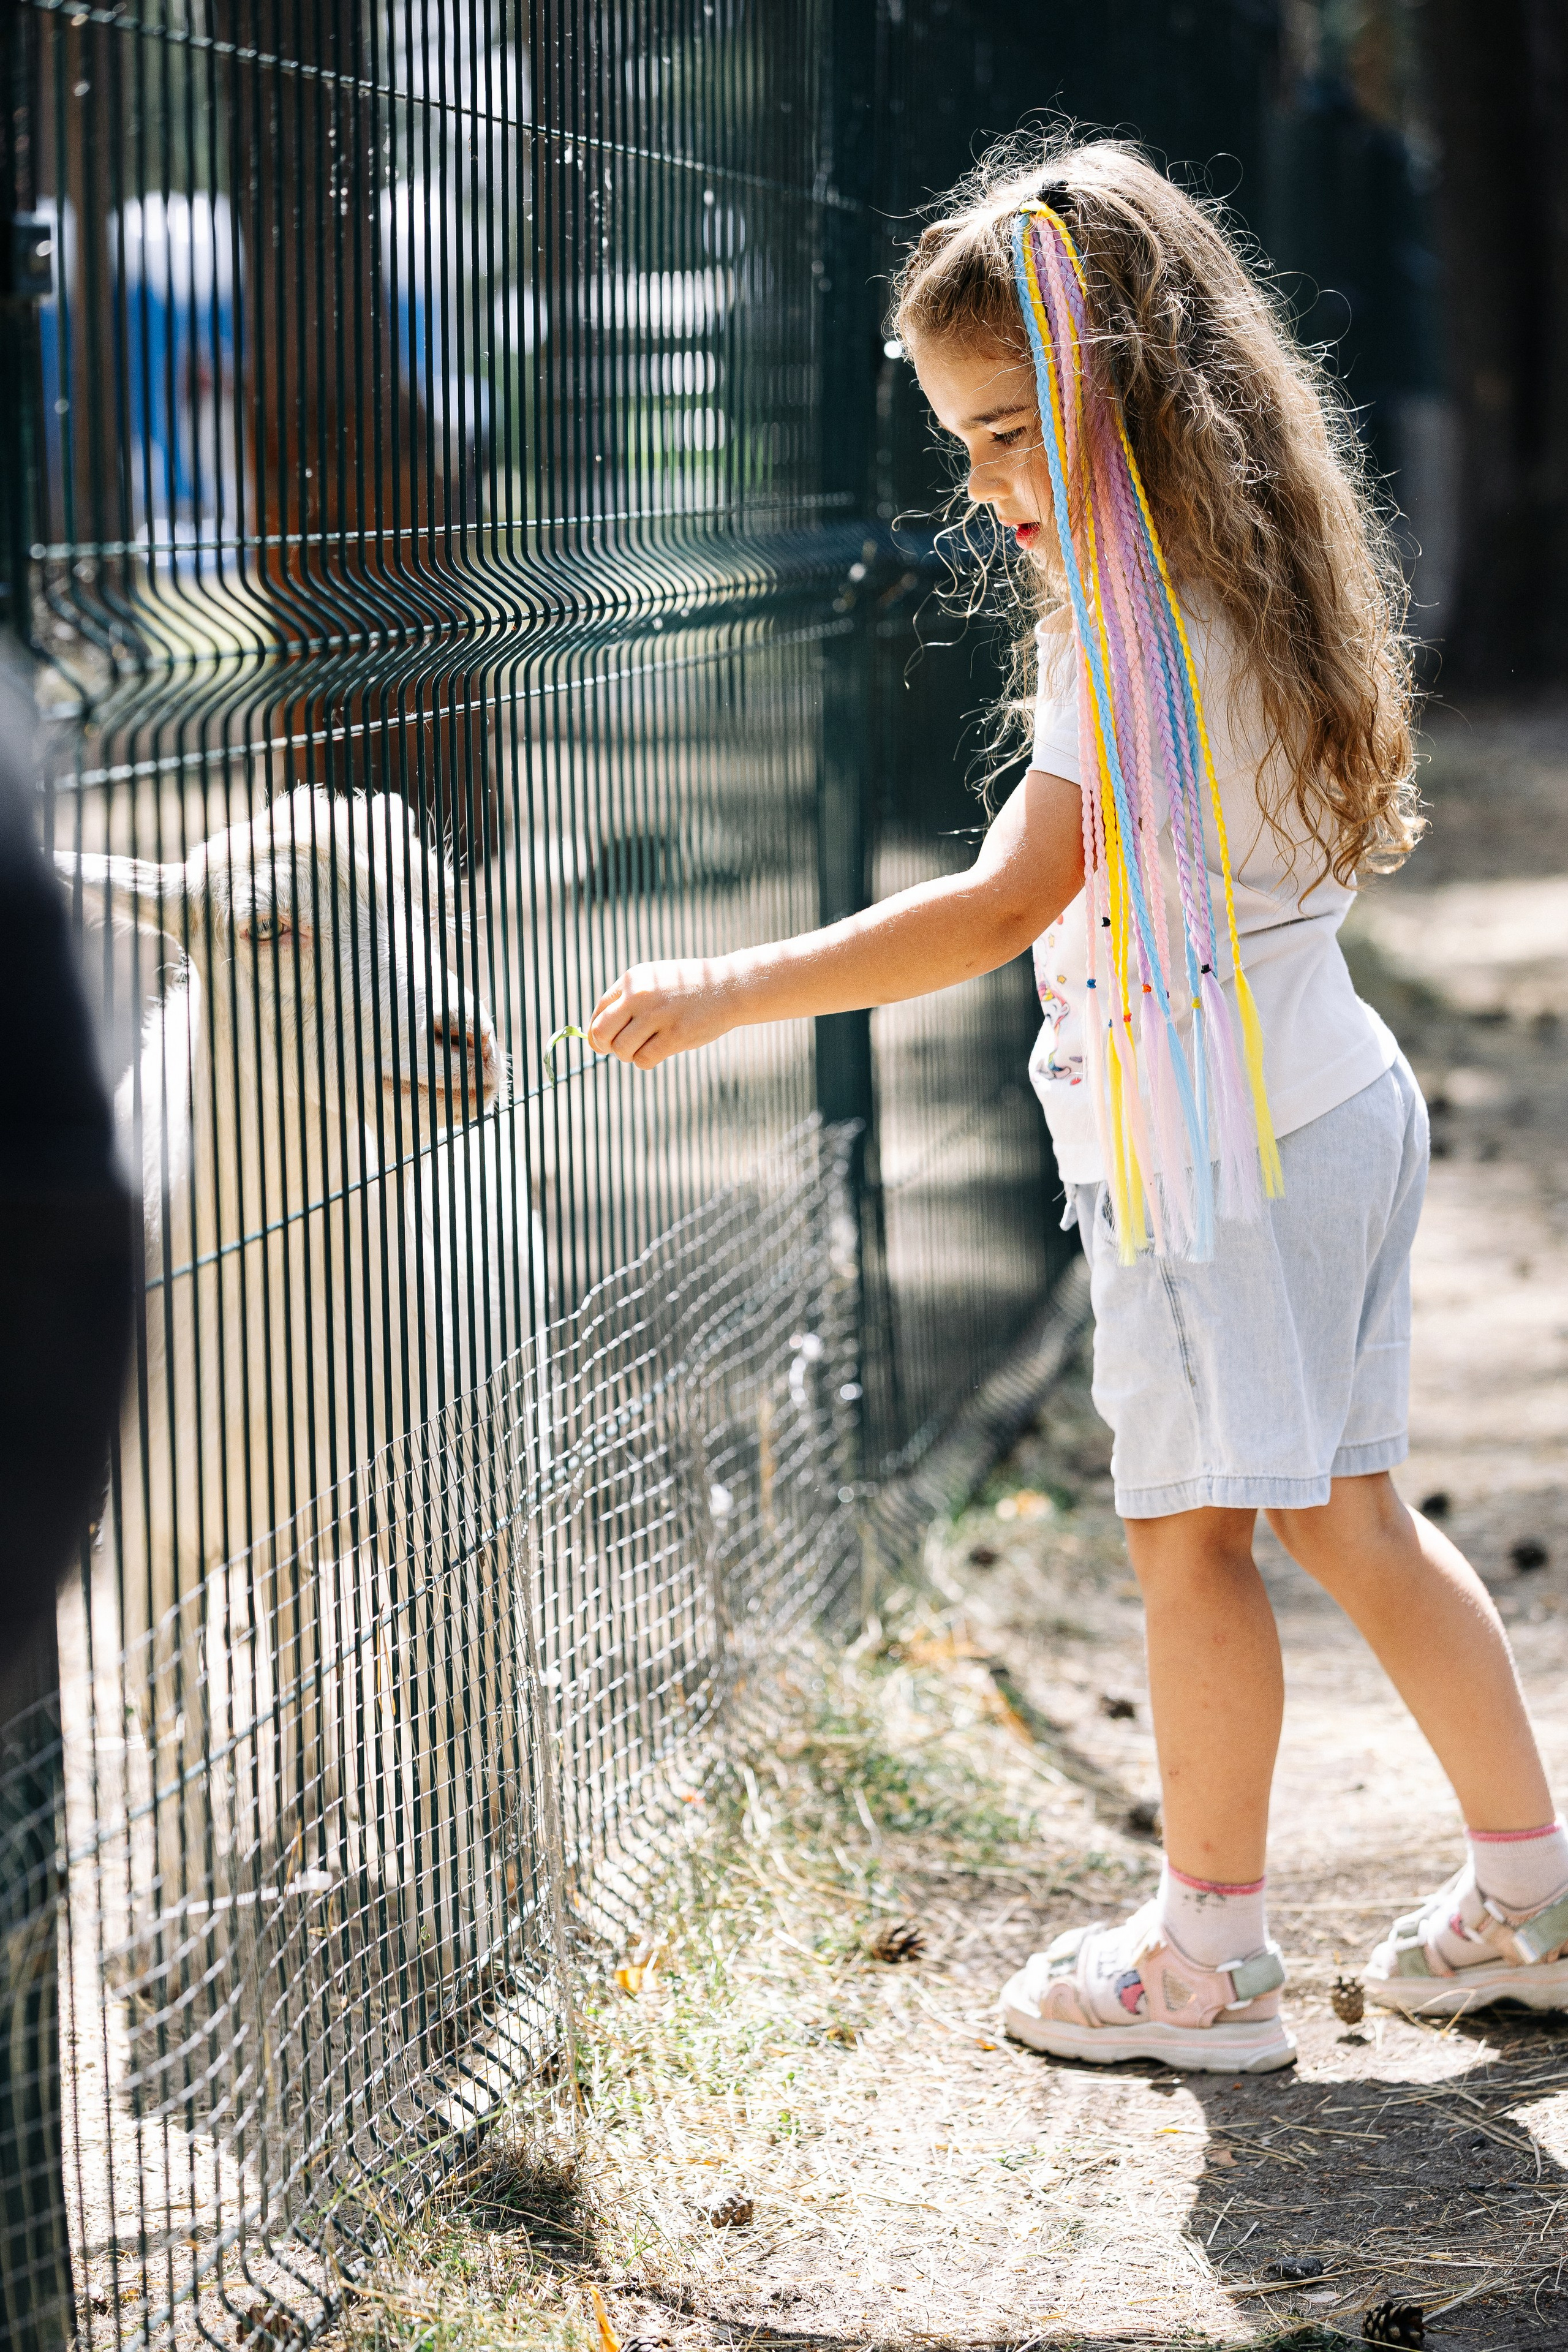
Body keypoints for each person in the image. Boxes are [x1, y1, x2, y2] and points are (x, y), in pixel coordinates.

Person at [585, 135, 1568, 2073]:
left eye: (1017, 429)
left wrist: (730, 984)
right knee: (1358, 1515)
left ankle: (1207, 1966)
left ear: (1132, 385)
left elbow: (1006, 905)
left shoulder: (1132, 646)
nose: (989, 482)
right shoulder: (1262, 580)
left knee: (1191, 1541)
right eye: (963, 441)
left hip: (1217, 1160)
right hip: (1333, 1103)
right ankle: (1531, 1899)